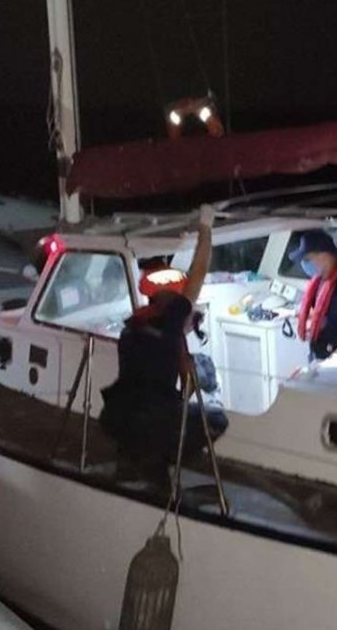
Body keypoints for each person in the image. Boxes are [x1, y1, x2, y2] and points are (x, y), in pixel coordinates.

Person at [100, 204, 228, 487]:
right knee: (216, 419)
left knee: (146, 419)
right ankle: (162, 461)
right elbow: (199, 272)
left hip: (116, 416)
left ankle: (131, 461)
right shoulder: (172, 321)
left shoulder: (132, 326)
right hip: (153, 421)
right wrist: (205, 228)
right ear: (175, 302)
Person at [290, 230, 337, 360]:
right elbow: (322, 314)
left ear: (324, 256)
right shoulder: (320, 283)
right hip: (318, 356)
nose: (304, 264)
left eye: (307, 259)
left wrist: (333, 361)